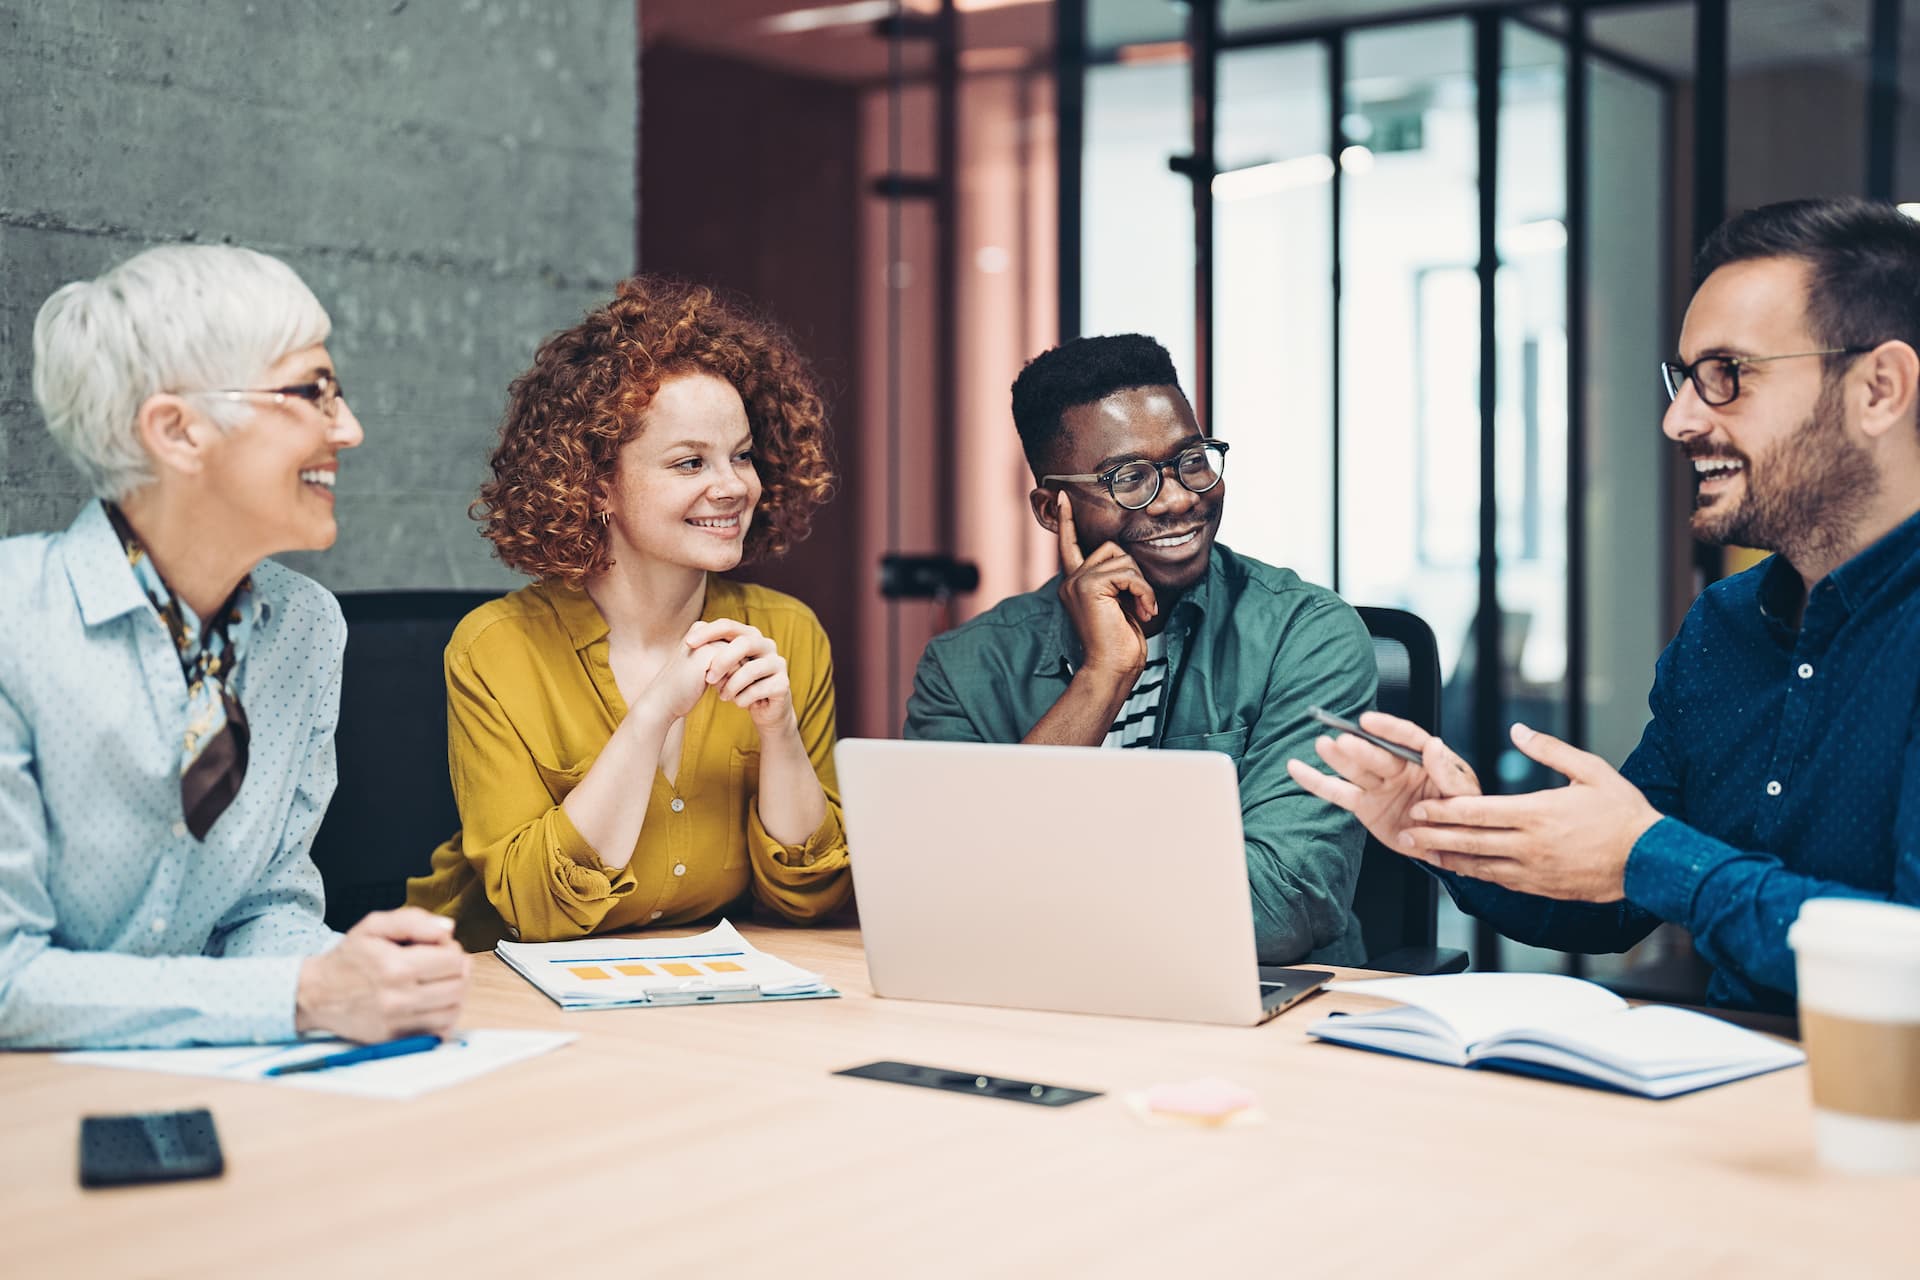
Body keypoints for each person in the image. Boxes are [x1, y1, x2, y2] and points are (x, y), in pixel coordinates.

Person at [1289, 196, 1920, 1012]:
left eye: (1726, 375)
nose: (1678, 419)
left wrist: (1654, 857)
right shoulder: (1726, 628)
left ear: (1879, 388)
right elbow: (1618, 896)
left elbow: (1904, 958)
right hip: (1730, 1088)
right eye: (1685, 378)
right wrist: (1452, 833)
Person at [0, 245, 470, 1049]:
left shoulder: (308, 629)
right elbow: (9, 981)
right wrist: (304, 995)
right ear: (177, 431)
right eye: (310, 393)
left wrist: (357, 970)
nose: (349, 430)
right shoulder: (15, 622)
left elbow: (264, 910)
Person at [406, 277, 851, 950]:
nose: (733, 486)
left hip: (687, 988)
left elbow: (809, 898)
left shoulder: (787, 633)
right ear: (595, 483)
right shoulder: (495, 647)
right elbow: (537, 910)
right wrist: (652, 715)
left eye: (742, 456)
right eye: (688, 462)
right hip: (486, 986)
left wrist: (780, 733)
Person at [904, 334, 1377, 965]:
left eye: (1192, 460)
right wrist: (1103, 676)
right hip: (1032, 1006)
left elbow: (1276, 907)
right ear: (1053, 508)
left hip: (1253, 1013)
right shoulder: (964, 670)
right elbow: (939, 900)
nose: (1181, 497)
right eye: (1130, 478)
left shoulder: (1308, 636)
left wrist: (1028, 887)